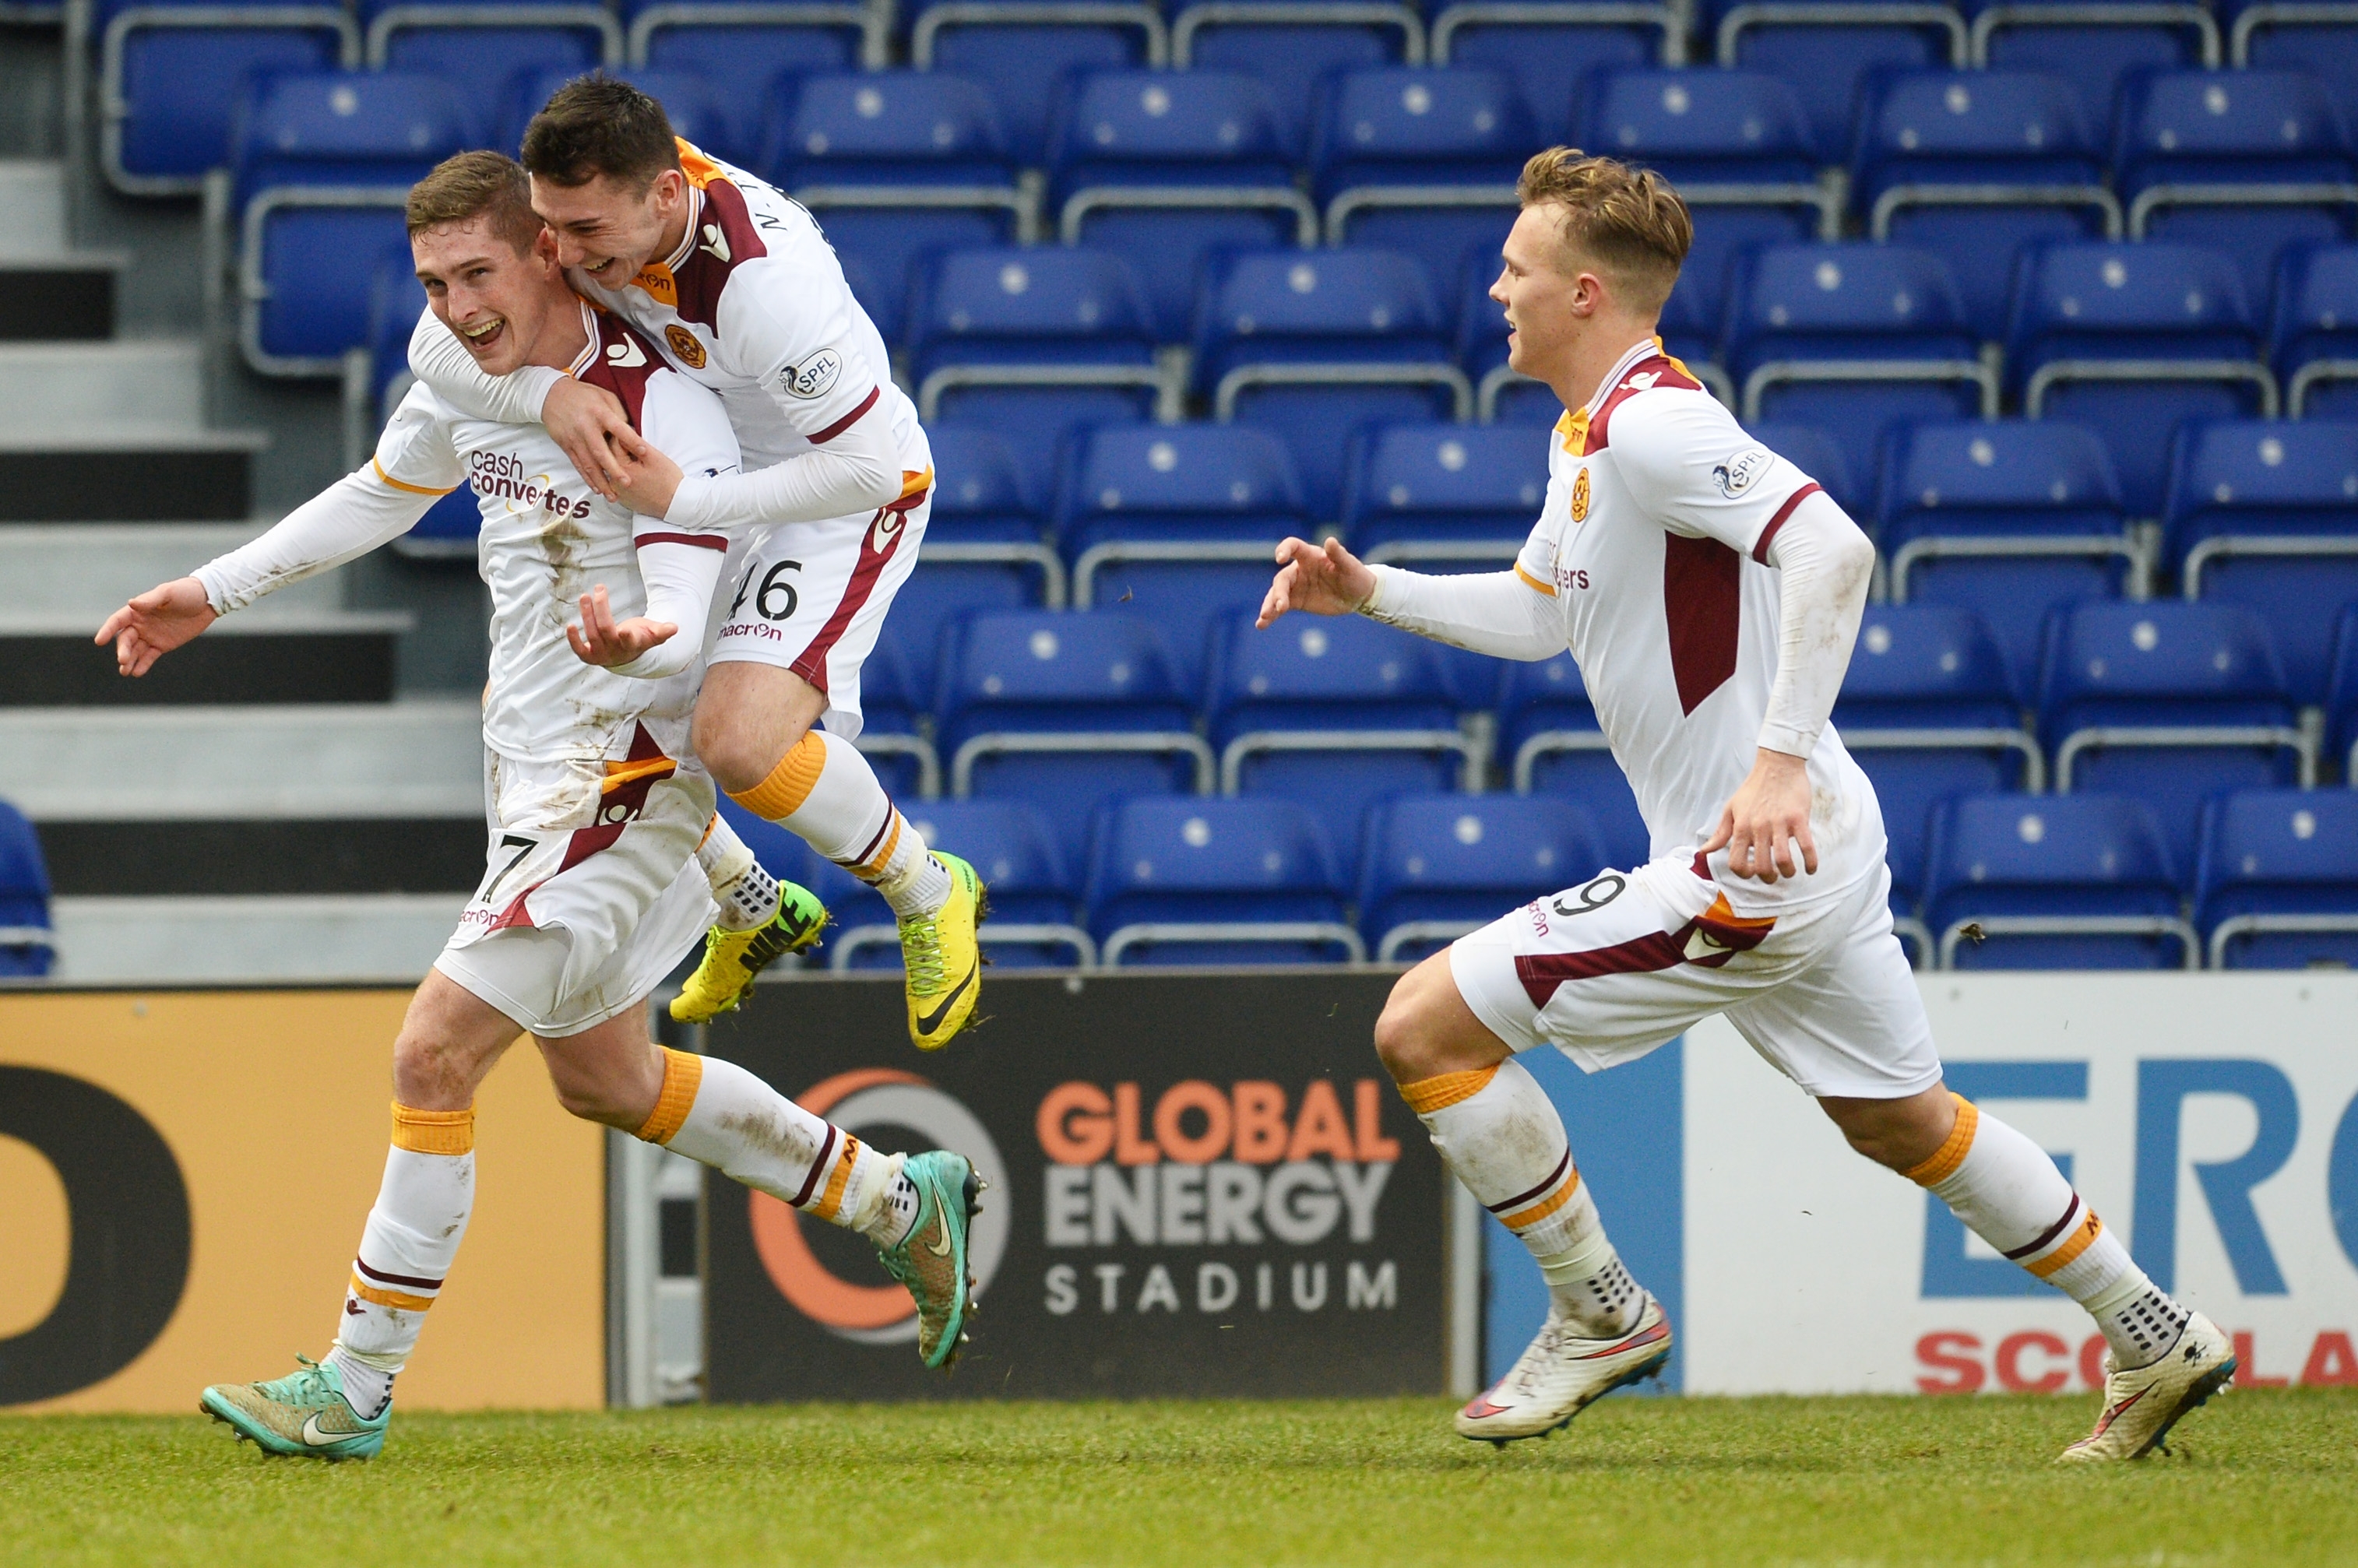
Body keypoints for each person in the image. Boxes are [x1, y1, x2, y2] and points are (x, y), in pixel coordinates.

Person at [1255, 147, 2233, 1462]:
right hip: (1808, 833)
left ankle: (1598, 1312)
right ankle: (2151, 1326)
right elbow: (1542, 612)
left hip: (1756, 848)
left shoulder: (1655, 426)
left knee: (1421, 1025)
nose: (1495, 286)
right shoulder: (1591, 433)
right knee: (1903, 1117)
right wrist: (1368, 587)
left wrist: (1771, 759)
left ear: (1585, 292)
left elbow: (1833, 544)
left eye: (1516, 267)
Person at [95, 152, 979, 1461]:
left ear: (552, 254)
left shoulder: (667, 404)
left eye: (478, 271)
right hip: (530, 764)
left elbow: (689, 587)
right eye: (434, 282)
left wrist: (648, 638)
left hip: (617, 775)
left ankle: (356, 1378)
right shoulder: (480, 379)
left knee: (432, 1054)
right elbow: (379, 493)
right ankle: (897, 1198)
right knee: (607, 1079)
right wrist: (211, 591)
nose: (454, 306)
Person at [403, 76, 984, 1050]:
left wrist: (693, 502)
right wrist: (548, 398)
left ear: (666, 196)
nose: (562, 255)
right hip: (702, 478)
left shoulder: (766, 283)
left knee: (739, 741)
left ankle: (928, 889)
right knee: (585, 707)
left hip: (835, 494)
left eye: (583, 232)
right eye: (549, 228)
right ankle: (750, 900)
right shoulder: (597, 215)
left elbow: (867, 465)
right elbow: (436, 344)